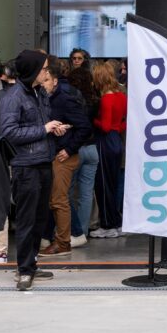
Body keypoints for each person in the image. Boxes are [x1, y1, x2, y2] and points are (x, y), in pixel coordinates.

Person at [0, 49, 66, 289]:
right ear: (33, 71)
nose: (47, 72)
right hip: (25, 166)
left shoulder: (38, 93)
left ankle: (31, 265)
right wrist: (44, 129)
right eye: (44, 68)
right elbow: (9, 133)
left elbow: (37, 125)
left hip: (42, 162)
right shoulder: (13, 97)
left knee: (39, 218)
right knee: (27, 220)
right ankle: (24, 269)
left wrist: (52, 129)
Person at [41, 62, 93, 254]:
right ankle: (51, 239)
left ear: (55, 81)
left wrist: (70, 149)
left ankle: (63, 243)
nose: (43, 84)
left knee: (59, 200)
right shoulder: (43, 100)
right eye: (41, 80)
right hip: (51, 154)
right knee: (53, 200)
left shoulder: (64, 100)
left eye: (46, 80)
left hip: (63, 156)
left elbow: (85, 126)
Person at [60, 62, 101, 247]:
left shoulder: (69, 99)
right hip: (92, 148)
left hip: (75, 148)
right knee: (86, 194)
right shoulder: (94, 99)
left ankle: (70, 230)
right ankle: (82, 231)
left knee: (67, 192)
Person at [91, 60, 128, 237]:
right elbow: (122, 123)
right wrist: (116, 128)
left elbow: (104, 126)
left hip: (105, 141)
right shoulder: (121, 96)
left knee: (103, 184)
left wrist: (92, 120)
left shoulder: (106, 99)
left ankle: (106, 225)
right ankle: (116, 221)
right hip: (117, 141)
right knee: (113, 183)